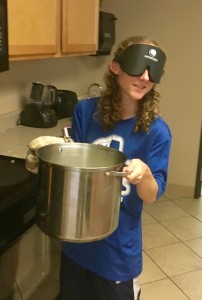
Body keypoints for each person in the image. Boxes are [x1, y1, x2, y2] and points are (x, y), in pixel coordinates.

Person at [57, 36, 172, 300]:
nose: (144, 76)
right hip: (76, 243)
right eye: (137, 65)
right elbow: (71, 168)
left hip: (116, 251)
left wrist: (143, 174)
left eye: (152, 71)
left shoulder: (157, 132)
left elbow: (152, 195)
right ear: (115, 67)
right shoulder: (85, 112)